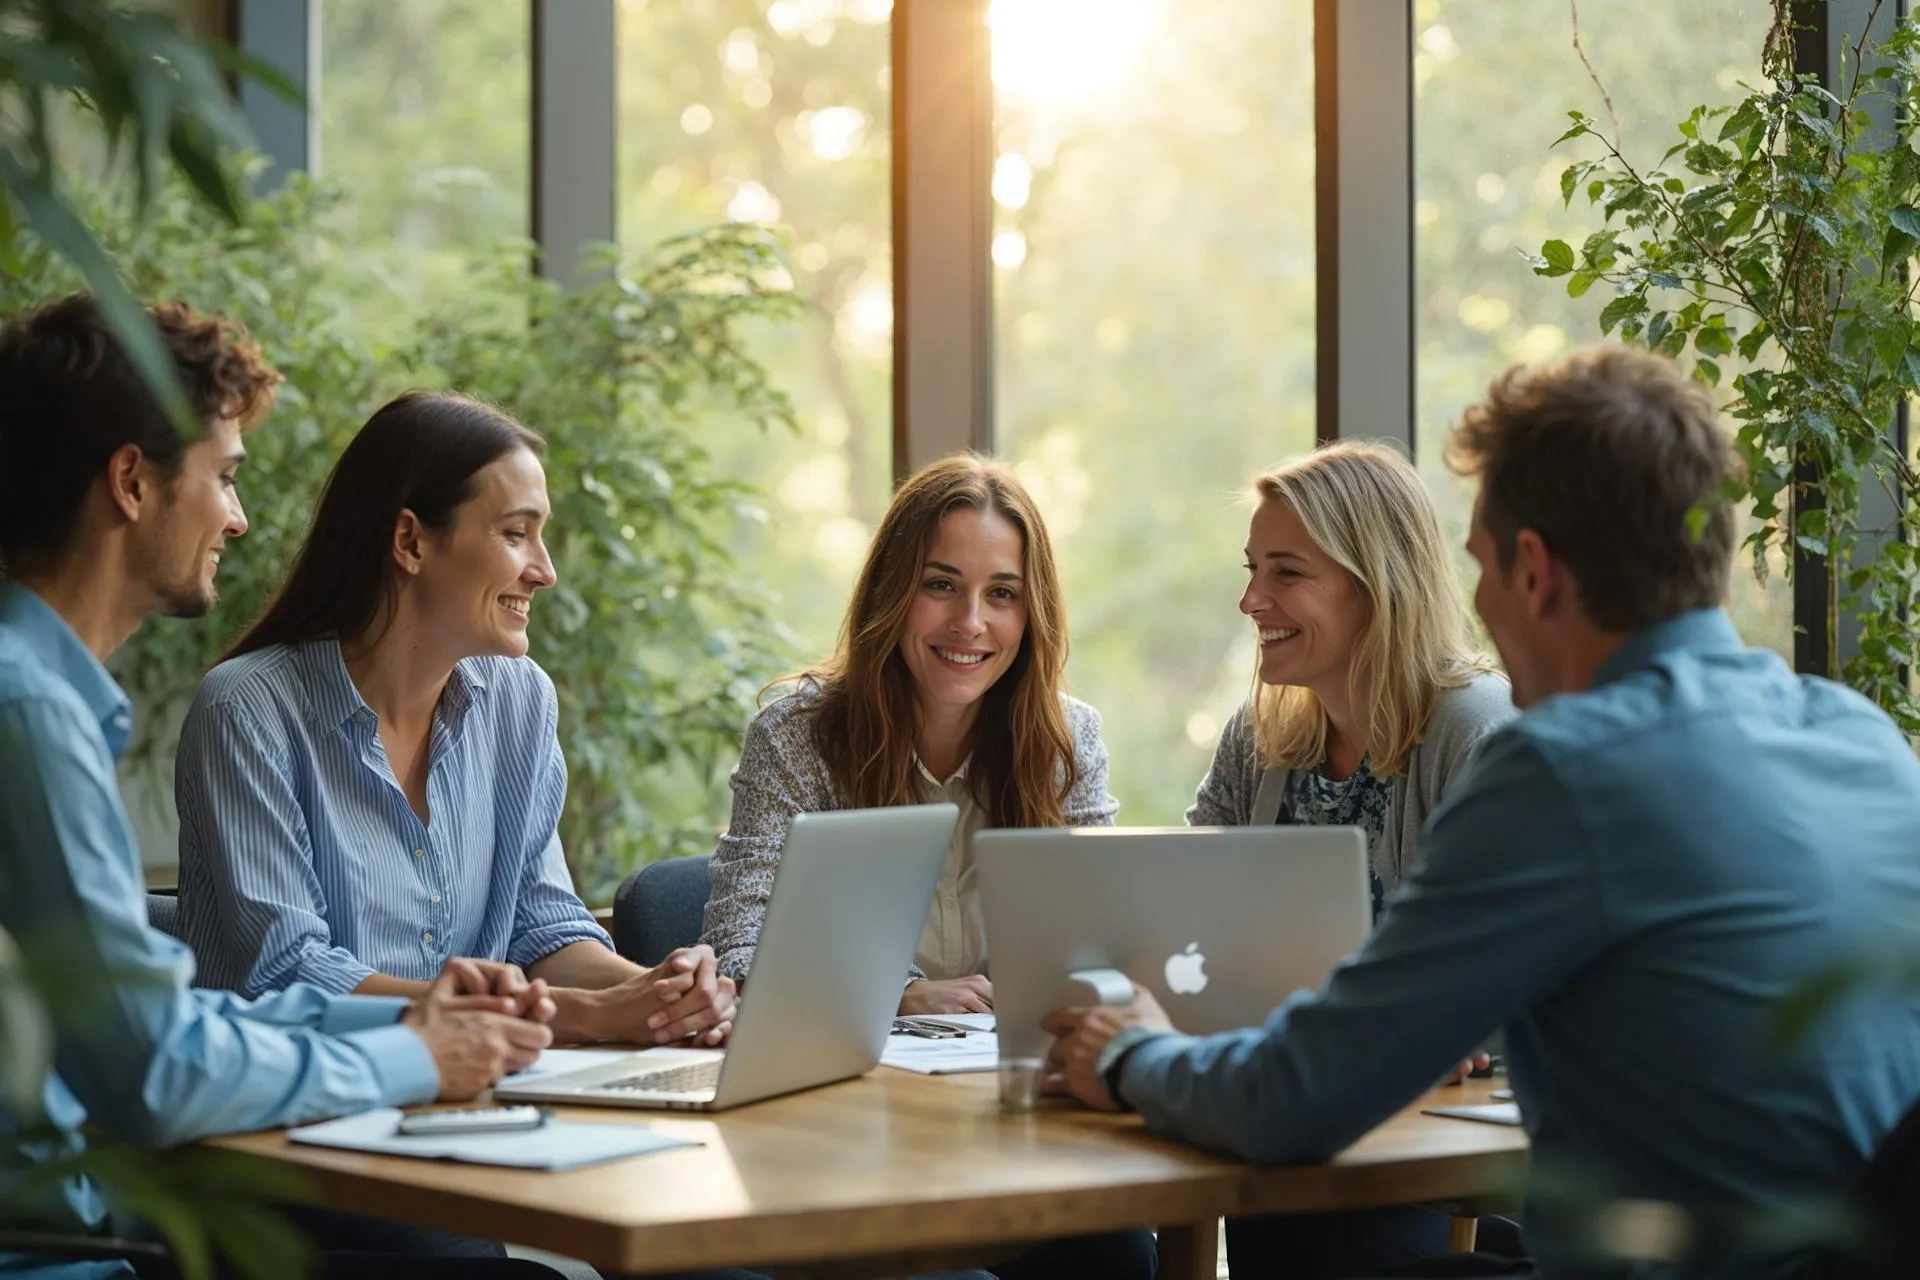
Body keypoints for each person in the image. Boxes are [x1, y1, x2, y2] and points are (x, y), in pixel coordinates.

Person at [1041, 345, 1920, 1280]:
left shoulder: (1564, 769)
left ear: (1533, 571)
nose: (1479, 606)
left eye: (1482, 569)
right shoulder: (1863, 739)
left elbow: (1298, 1099)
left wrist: (1129, 1055)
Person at [0, 294, 572, 1280]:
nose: (238, 515)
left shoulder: (44, 701)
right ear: (131, 483)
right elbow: (157, 1069)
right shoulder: (31, 715)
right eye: (224, 476)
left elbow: (167, 1027)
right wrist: (417, 1054)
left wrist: (421, 1022)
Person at [701, 454, 1156, 1280]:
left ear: (1031, 613)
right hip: (844, 1137)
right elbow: (739, 949)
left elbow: (1108, 944)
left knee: (1122, 1254)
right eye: (941, 585)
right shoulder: (799, 738)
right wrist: (896, 992)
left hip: (1014, 1125)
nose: (970, 622)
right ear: (892, 592)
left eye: (1002, 594)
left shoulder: (1066, 742)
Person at [174, 391, 736, 1051]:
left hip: (481, 1087)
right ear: (410, 541)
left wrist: (664, 997)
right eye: (516, 534)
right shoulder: (246, 711)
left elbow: (543, 929)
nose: (546, 571)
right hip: (299, 1094)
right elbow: (290, 973)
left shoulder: (519, 700)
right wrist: (580, 1015)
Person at [1185, 440, 1516, 1275]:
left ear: (1376, 583)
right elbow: (1181, 913)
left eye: (1285, 573)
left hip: (1434, 1156)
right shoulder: (1261, 735)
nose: (1251, 600)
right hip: (1297, 1121)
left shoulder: (1477, 732)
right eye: (1252, 569)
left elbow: (1515, 977)